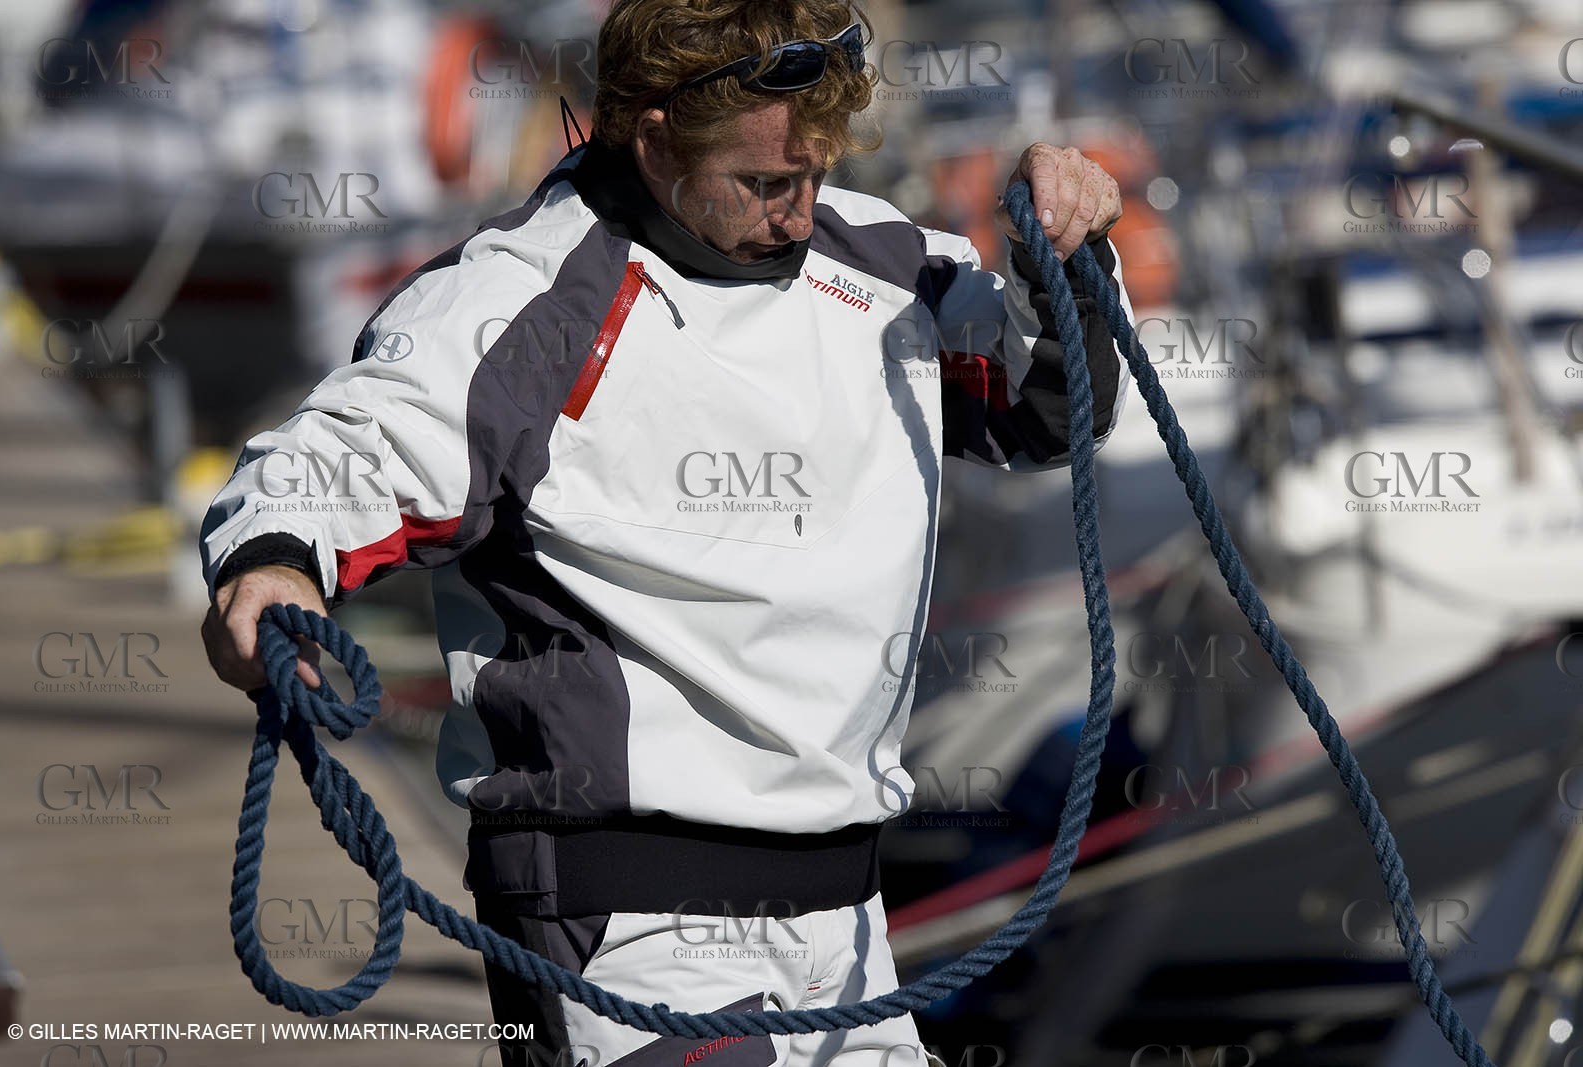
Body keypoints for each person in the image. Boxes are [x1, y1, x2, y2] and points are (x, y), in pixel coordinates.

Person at [200, 1, 1132, 1064]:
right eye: (766, 183)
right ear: (651, 141)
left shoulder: (883, 268)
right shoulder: (522, 302)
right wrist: (272, 566)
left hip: (846, 924)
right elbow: (337, 455)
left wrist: (1064, 258)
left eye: (814, 176)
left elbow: (1045, 413)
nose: (798, 213)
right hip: (619, 926)